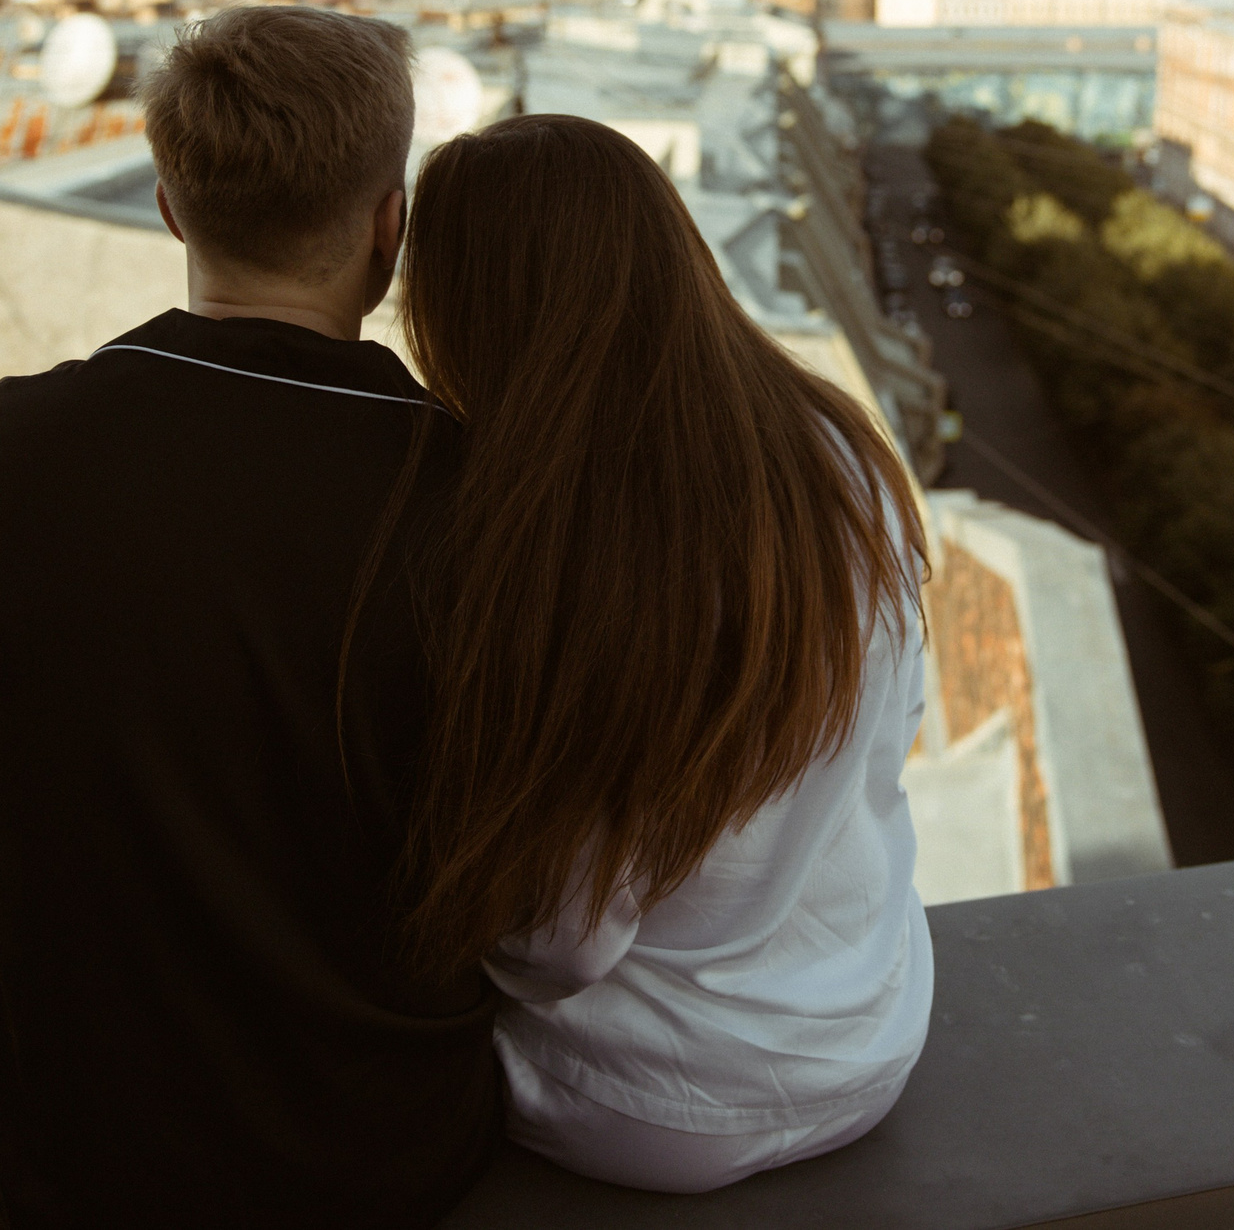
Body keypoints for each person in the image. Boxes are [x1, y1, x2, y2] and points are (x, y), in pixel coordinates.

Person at [0, 6, 501, 1227]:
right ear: (387, 227)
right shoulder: (484, 499)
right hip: (394, 1145)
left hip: (81, 1161)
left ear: (170, 207)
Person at [391, 112, 934, 1193]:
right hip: (870, 1036)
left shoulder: (572, 532)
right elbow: (892, 739)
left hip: (649, 1103)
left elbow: (561, 945)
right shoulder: (836, 450)